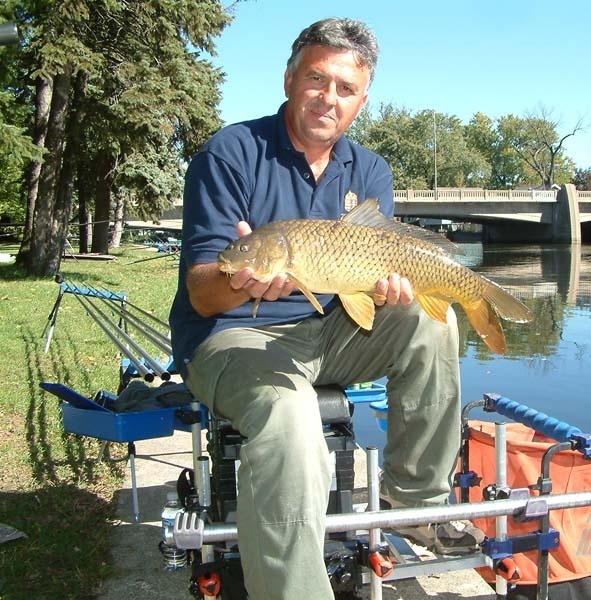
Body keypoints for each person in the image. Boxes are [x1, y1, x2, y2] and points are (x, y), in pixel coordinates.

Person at [169, 17, 483, 599]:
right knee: (293, 424)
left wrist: (394, 289)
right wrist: (244, 283)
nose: (328, 98)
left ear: (362, 102)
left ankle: (413, 500)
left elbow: (364, 288)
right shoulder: (231, 153)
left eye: (345, 88)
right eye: (317, 79)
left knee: (431, 322)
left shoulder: (369, 171)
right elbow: (202, 293)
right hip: (234, 339)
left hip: (329, 330)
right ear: (289, 79)